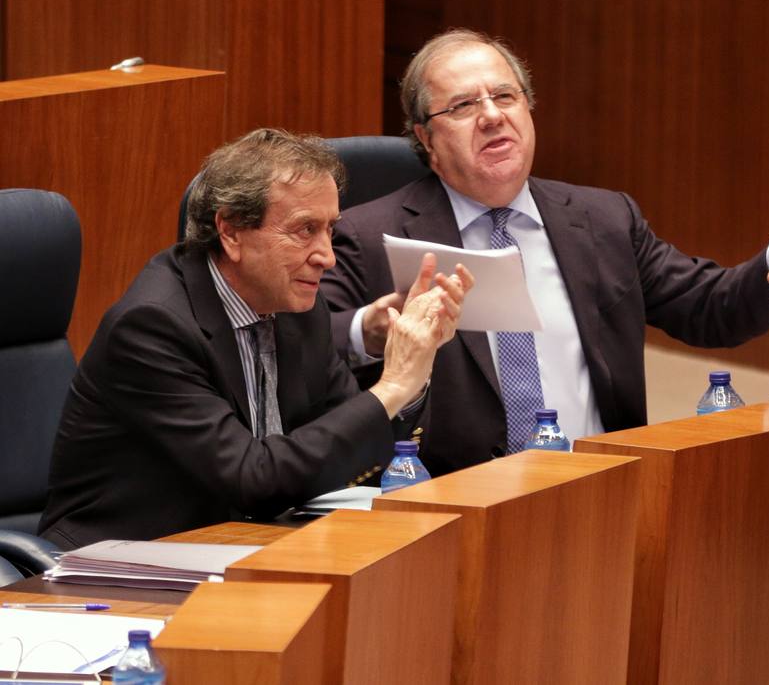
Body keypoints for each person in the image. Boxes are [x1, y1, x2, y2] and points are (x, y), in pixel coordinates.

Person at [321, 28, 769, 474]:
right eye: (462, 106)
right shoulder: (370, 234)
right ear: (426, 140)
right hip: (451, 512)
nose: (491, 116)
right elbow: (304, 345)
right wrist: (368, 328)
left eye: (505, 97)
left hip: (601, 491)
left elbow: (712, 311)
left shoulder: (603, 220)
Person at [39, 129, 473, 548]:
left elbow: (345, 434)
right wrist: (393, 385)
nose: (327, 256)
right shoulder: (153, 327)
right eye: (306, 230)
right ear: (230, 231)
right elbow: (253, 478)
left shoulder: (296, 305)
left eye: (330, 229)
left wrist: (411, 367)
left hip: (241, 544)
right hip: (119, 562)